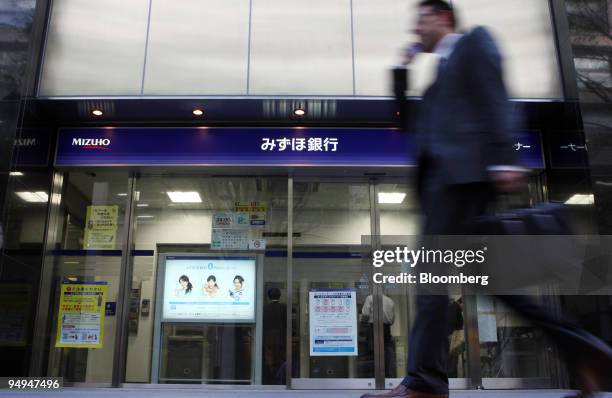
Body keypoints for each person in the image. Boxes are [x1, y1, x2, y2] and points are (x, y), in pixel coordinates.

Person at [362, 1, 612, 397]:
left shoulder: (473, 44)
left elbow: (497, 97)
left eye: (422, 19)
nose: (417, 29)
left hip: (461, 182)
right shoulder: (437, 79)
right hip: (443, 188)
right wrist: (402, 68)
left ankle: (425, 382)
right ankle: (586, 352)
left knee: (430, 275)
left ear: (444, 17)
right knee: (499, 282)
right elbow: (406, 124)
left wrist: (505, 158)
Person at [361, 292, 396, 377]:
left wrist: (362, 324)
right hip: (386, 329)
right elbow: (392, 319)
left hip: (373, 328)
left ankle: (373, 376)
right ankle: (385, 376)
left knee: (371, 352)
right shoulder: (390, 300)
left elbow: (365, 314)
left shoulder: (370, 298)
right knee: (385, 353)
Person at [262, 287, 287, 384]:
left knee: (269, 357)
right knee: (280, 357)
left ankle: (270, 376)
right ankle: (279, 376)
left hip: (267, 337)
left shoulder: (264, 308)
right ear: (279, 296)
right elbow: (287, 324)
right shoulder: (284, 308)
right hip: (281, 337)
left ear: (268, 297)